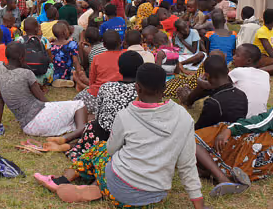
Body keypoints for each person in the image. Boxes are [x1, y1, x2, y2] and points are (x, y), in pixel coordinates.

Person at [34, 63, 207, 208]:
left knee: (99, 149)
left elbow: (110, 149)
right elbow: (187, 164)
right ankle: (96, 188)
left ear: (137, 88)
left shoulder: (126, 116)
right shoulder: (184, 117)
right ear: (164, 88)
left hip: (119, 189)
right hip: (154, 198)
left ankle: (66, 180)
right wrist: (198, 203)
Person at [0, 42, 88, 144]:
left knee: (80, 116)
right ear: (22, 57)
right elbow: (43, 100)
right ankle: (76, 134)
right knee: (79, 104)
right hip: (40, 119)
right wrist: (56, 110)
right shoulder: (26, 74)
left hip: (27, 127)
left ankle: (80, 127)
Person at [65, 51, 143, 161]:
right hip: (126, 140)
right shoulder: (141, 92)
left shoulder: (106, 87)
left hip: (102, 135)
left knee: (92, 125)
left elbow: (99, 114)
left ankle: (78, 146)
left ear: (119, 69)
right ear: (140, 70)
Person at [75, 30, 124, 114]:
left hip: (98, 94)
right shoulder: (126, 54)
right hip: (121, 95)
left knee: (76, 102)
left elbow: (92, 81)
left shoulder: (97, 58)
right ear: (121, 42)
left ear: (104, 45)